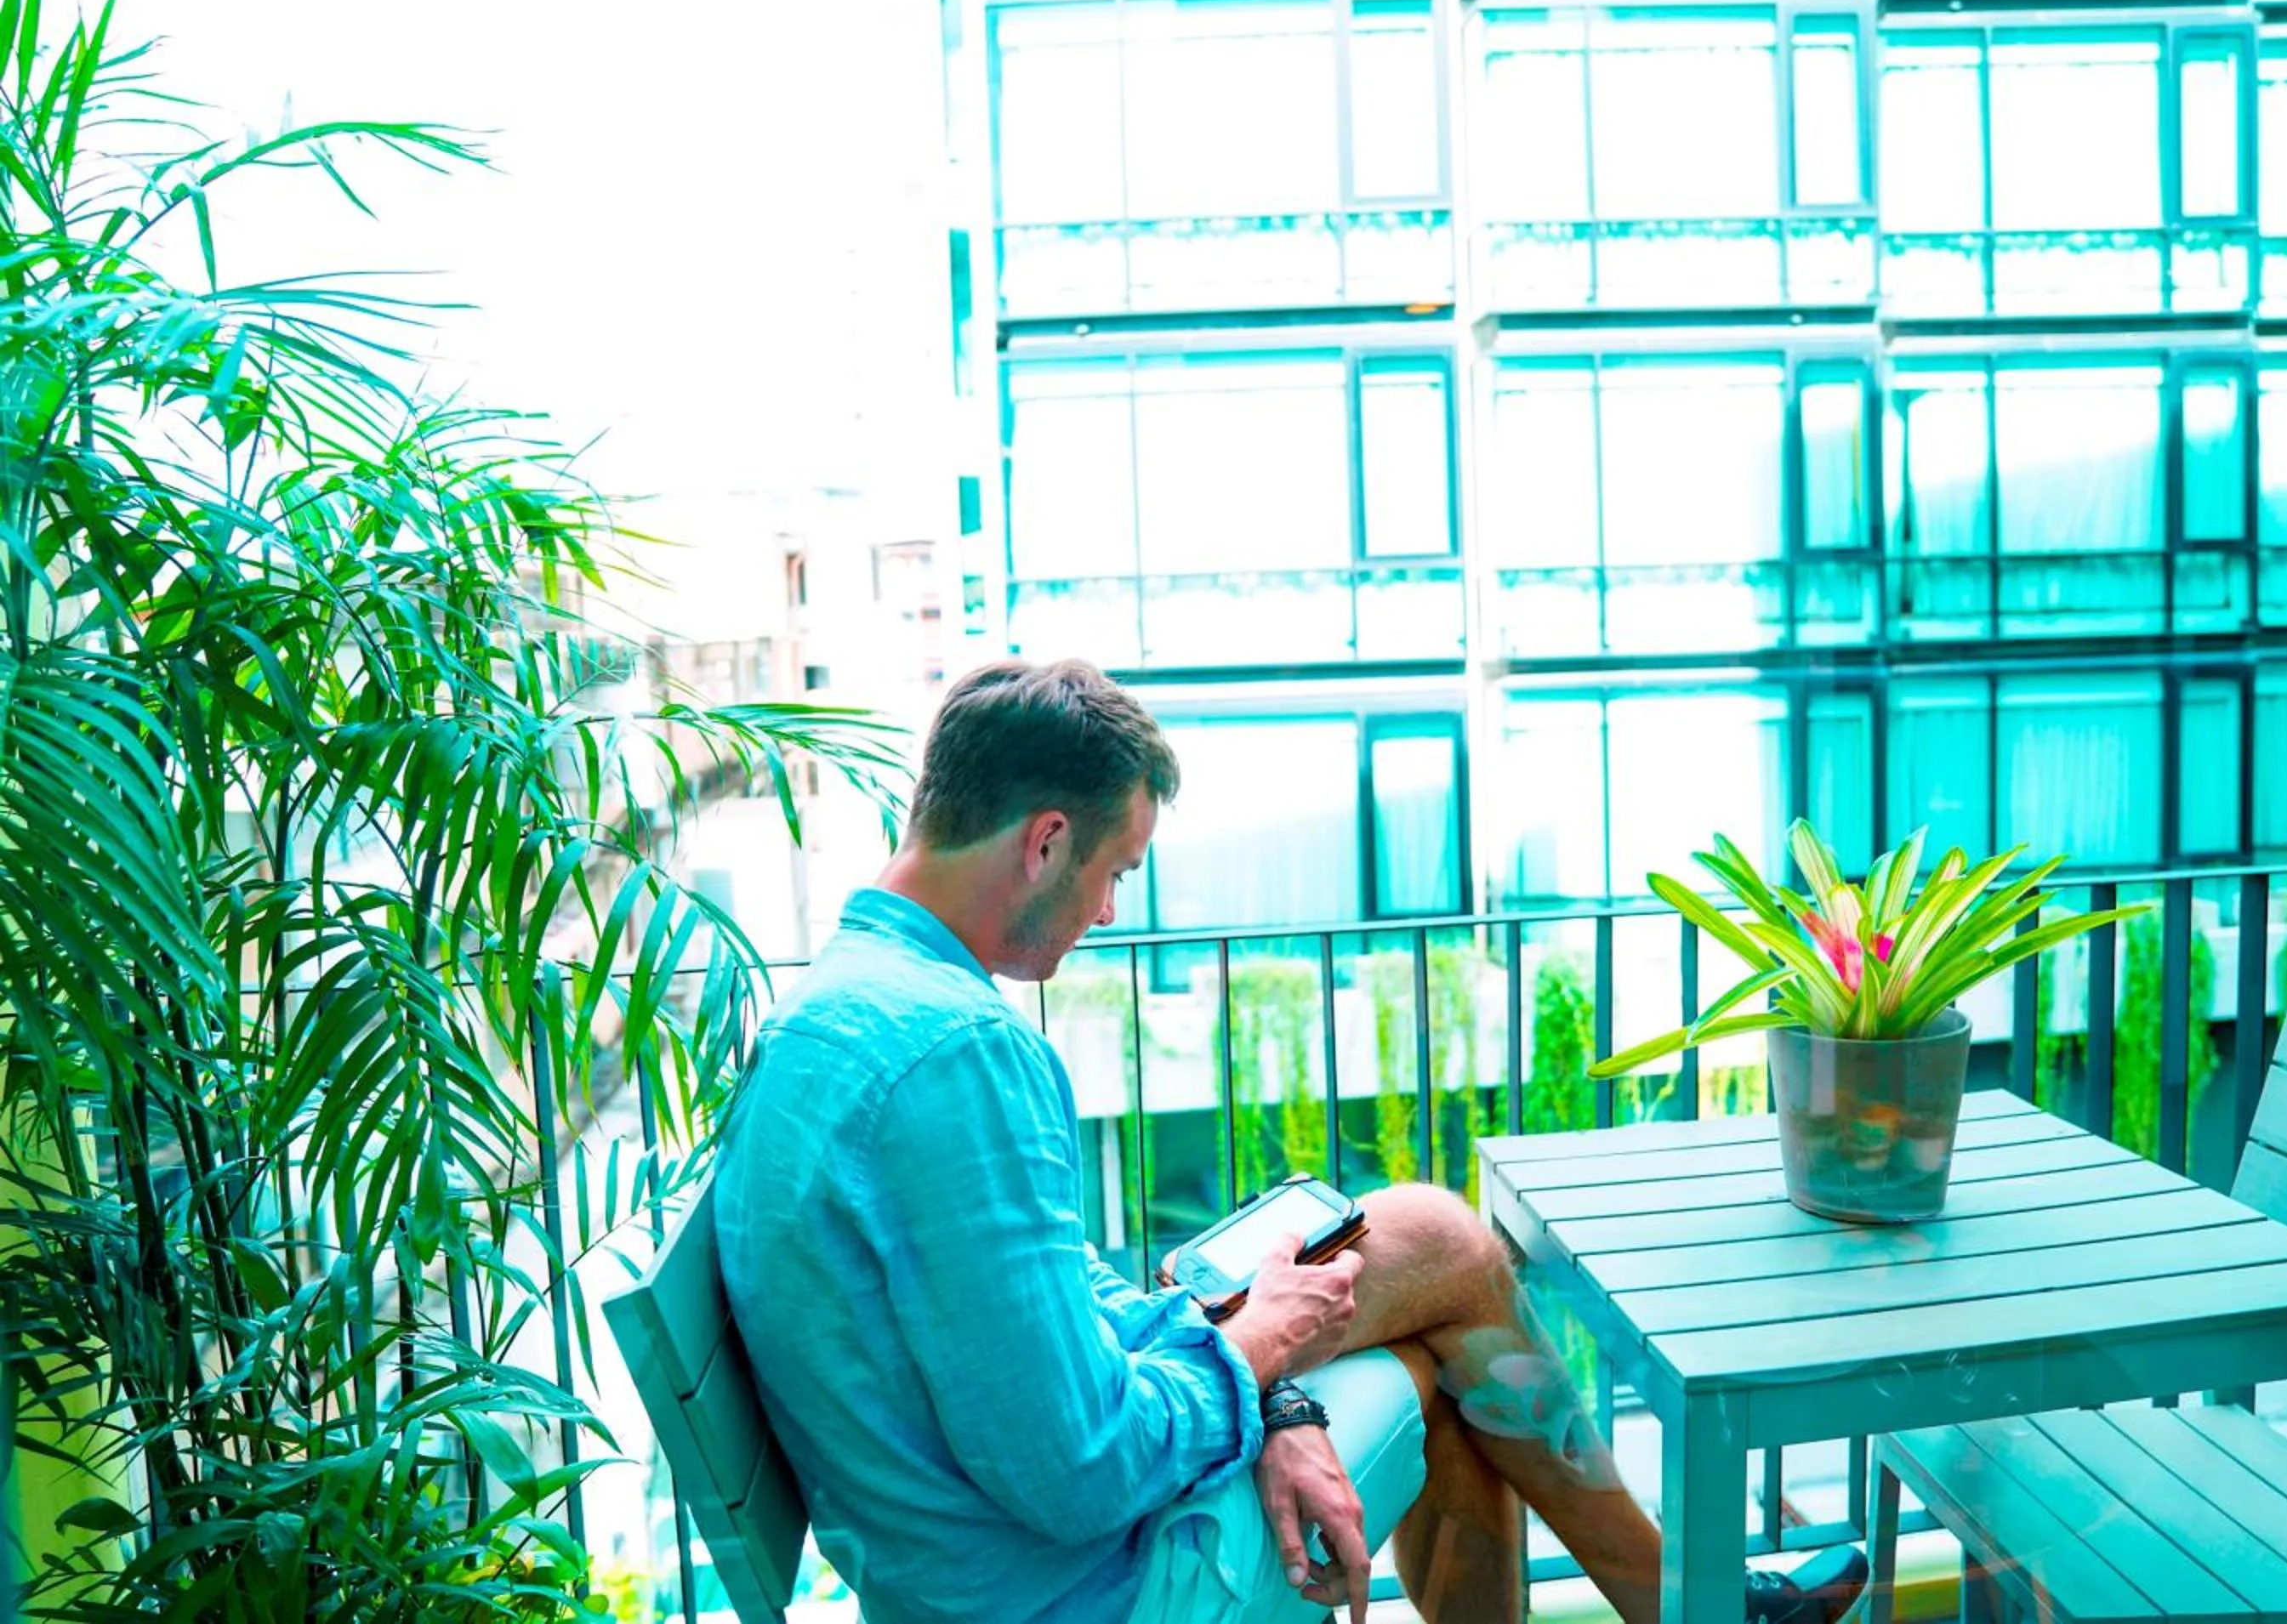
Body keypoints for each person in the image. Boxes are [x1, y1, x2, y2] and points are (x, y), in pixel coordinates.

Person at [716, 659, 1863, 1624]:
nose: (1109, 911)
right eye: (1115, 872)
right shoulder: (960, 1056)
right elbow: (1078, 1470)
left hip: (975, 1557)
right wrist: (1255, 1353)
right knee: (1446, 1333)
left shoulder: (839, 1011)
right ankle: (1686, 1598)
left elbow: (1049, 1329)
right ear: (1047, 842)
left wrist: (1277, 1396)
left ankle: (1681, 1596)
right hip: (1086, 1589)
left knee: (1431, 1252)